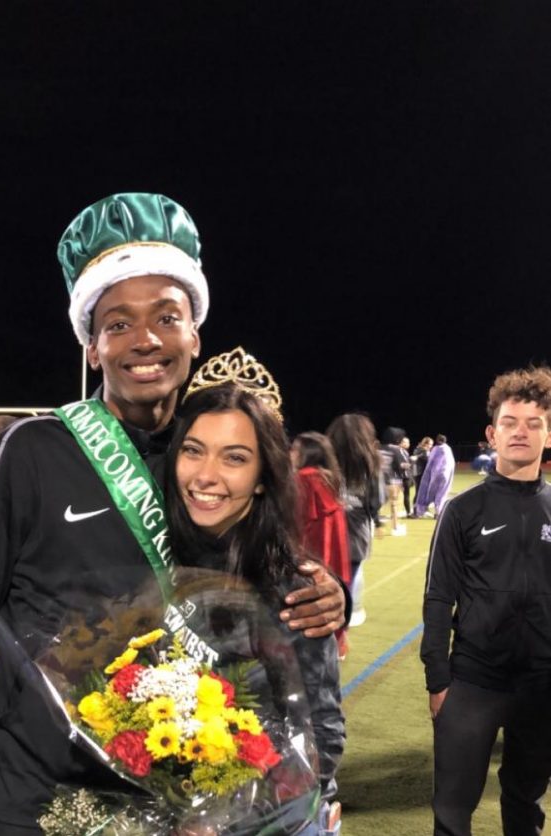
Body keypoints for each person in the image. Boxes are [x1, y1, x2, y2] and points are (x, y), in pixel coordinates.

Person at [0, 192, 347, 836]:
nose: (144, 339)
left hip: (168, 814)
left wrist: (323, 592)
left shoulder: (208, 465)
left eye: (166, 317)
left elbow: (251, 608)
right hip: (29, 803)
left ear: (192, 335)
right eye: (117, 323)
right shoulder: (31, 450)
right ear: (91, 346)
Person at [167, 355, 345, 834]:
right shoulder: (149, 557)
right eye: (193, 450)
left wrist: (226, 816)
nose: (206, 475)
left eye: (235, 458)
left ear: (265, 474)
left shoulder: (295, 587)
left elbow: (323, 730)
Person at [421, 367, 551, 836]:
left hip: (541, 688)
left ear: (549, 433)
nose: (522, 431)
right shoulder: (463, 510)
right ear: (492, 434)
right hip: (473, 683)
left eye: (534, 423)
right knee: (453, 814)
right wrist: (439, 679)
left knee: (526, 807)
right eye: (511, 422)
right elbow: (438, 598)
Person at [292, 431, 351, 661]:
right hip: (333, 557)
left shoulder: (304, 479)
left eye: (295, 449)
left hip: (310, 555)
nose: (290, 453)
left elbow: (296, 524)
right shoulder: (329, 478)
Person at [326, 414, 381, 628]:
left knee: (327, 575)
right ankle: (348, 616)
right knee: (351, 573)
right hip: (356, 533)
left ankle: (333, 618)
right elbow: (376, 502)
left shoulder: (323, 461)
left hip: (326, 531)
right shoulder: (370, 464)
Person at [414, 434, 455, 518]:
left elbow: (430, 462)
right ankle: (437, 513)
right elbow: (452, 463)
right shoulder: (448, 449)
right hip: (445, 475)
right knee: (441, 494)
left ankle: (420, 509)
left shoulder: (435, 449)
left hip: (435, 475)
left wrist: (428, 475)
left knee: (427, 493)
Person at [380, 427, 408, 536]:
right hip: (392, 481)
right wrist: (409, 464)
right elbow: (401, 465)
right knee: (394, 505)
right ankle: (395, 528)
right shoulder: (396, 449)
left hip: (377, 480)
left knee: (376, 504)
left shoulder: (379, 448)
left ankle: (372, 524)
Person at [400, 436, 415, 517]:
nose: (408, 444)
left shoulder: (405, 452)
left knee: (407, 494)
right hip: (403, 477)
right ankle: (408, 512)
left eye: (408, 442)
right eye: (406, 442)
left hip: (407, 476)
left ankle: (409, 511)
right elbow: (402, 465)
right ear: (401, 443)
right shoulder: (400, 452)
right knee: (406, 494)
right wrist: (412, 461)